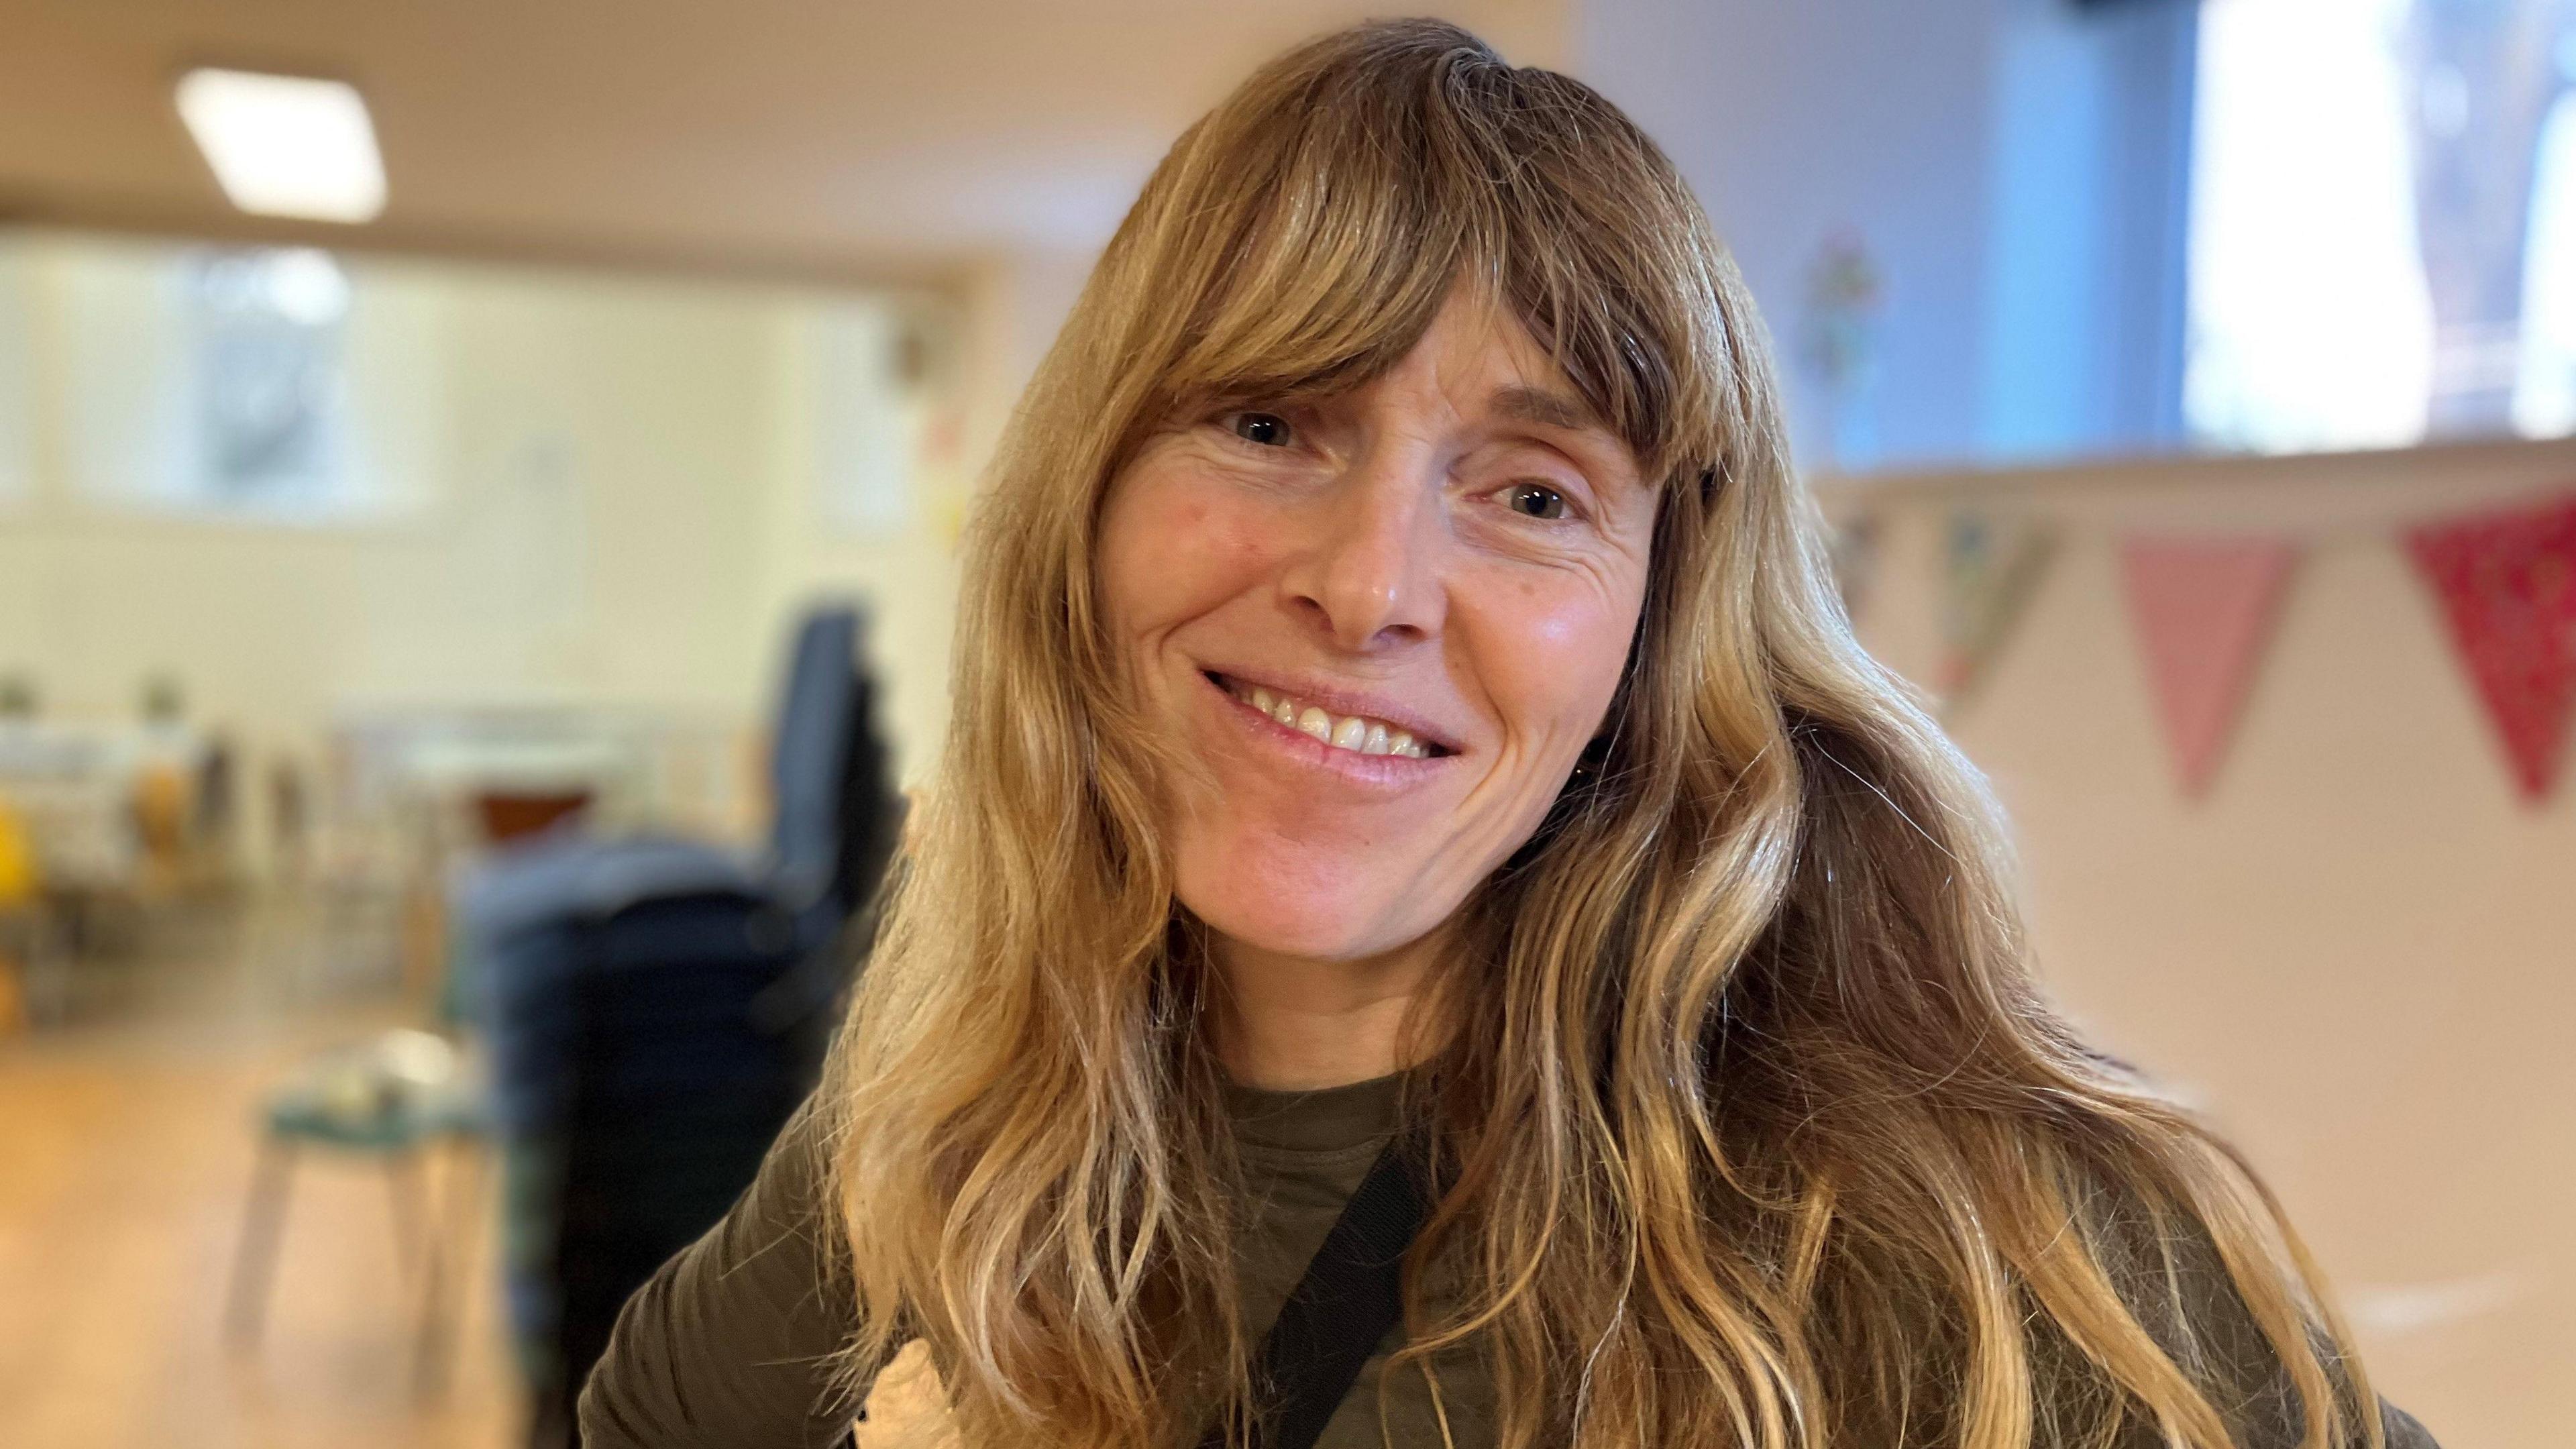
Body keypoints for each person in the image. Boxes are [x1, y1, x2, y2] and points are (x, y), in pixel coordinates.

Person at [581, 20, 2437, 1449]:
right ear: (1086, 493)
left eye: (1536, 494)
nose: (1371, 582)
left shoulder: (1934, 1225)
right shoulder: (957, 1123)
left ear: (1655, 625)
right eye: (1269, 423)